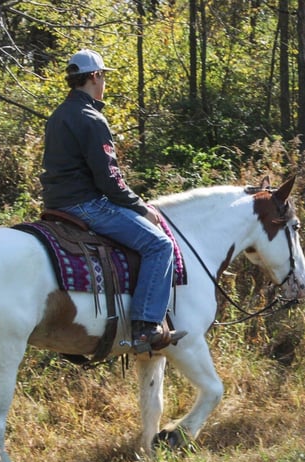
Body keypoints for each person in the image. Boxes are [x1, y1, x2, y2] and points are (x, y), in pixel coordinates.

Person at [40, 49, 186, 354]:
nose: (104, 82)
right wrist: (140, 207)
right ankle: (146, 327)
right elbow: (110, 180)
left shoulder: (58, 116)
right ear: (94, 77)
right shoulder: (92, 118)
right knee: (160, 246)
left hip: (55, 205)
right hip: (86, 205)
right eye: (103, 76)